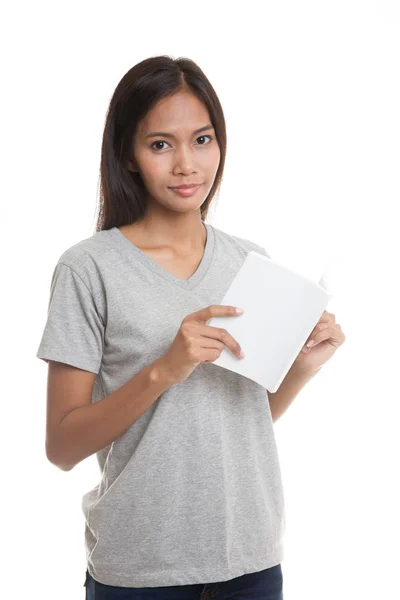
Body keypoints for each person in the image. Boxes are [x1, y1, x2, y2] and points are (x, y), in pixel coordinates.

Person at [36, 55, 285, 600]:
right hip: (141, 570)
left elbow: (244, 418)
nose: (186, 166)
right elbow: (61, 446)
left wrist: (305, 365)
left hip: (252, 561)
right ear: (128, 154)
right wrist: (163, 371)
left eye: (201, 139)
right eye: (160, 145)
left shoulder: (252, 262)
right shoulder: (90, 268)